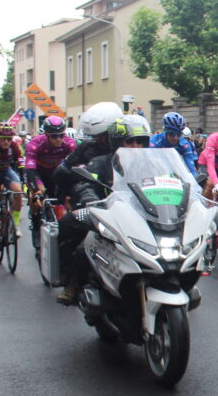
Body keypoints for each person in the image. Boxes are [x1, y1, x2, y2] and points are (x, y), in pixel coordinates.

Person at [57, 116, 152, 305]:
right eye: (130, 141)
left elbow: (172, 182)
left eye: (140, 141)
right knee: (82, 245)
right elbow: (84, 183)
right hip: (108, 220)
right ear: (117, 142)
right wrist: (90, 199)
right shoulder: (100, 163)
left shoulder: (151, 165)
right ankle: (73, 284)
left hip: (144, 219)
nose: (135, 146)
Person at [24, 116, 77, 247]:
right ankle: (36, 228)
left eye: (61, 135)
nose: (58, 139)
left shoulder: (69, 143)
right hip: (38, 174)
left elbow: (76, 167)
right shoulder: (35, 144)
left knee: (66, 199)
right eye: (54, 136)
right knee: (39, 194)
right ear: (47, 135)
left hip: (57, 174)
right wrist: (35, 191)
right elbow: (29, 170)